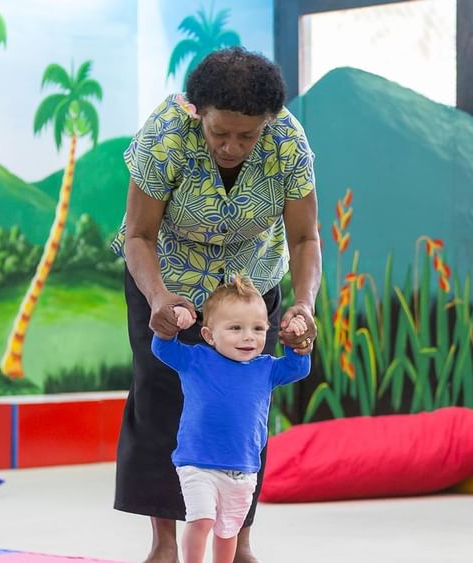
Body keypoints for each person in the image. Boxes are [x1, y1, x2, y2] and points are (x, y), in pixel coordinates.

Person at [111, 47, 321, 563]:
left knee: (242, 404)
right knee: (161, 402)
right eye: (219, 132)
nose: (232, 146)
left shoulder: (288, 142)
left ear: (266, 123)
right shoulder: (165, 135)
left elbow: (304, 239)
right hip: (167, 280)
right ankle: (164, 544)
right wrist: (159, 298)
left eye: (246, 136)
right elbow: (138, 232)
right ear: (197, 113)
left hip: (250, 287)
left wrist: (303, 304)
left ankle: (238, 541)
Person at [154, 276, 311, 563]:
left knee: (228, 531)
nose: (248, 337)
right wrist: (172, 325)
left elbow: (297, 368)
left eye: (258, 328)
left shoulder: (266, 368)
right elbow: (162, 349)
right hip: (197, 463)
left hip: (243, 468)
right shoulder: (195, 360)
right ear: (209, 335)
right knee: (201, 520)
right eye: (235, 328)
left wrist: (297, 342)